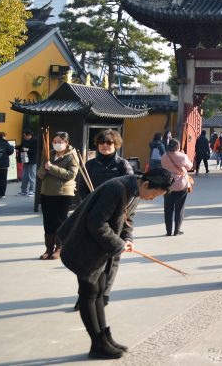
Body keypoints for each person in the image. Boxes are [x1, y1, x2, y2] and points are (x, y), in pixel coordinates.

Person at [58, 167, 172, 359]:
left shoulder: (135, 190)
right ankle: (97, 344)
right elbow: (96, 223)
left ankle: (105, 337)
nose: (152, 198)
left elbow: (128, 219)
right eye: (153, 194)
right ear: (146, 184)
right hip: (85, 244)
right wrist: (118, 244)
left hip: (101, 248)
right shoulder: (117, 189)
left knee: (100, 291)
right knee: (89, 293)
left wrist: (127, 238)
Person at [77, 129, 134, 311]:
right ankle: (84, 295)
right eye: (102, 143)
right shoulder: (90, 166)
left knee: (112, 258)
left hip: (117, 216)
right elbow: (82, 189)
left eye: (109, 143)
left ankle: (105, 293)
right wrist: (91, 203)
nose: (105, 146)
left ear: (116, 144)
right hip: (94, 216)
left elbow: (132, 191)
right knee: (88, 259)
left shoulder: (123, 166)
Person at [38, 131, 80, 259]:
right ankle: (48, 248)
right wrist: (45, 169)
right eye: (54, 142)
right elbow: (40, 173)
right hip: (47, 191)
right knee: (48, 221)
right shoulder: (49, 153)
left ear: (66, 143)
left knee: (60, 221)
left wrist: (52, 168)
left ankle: (60, 247)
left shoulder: (72, 156)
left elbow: (71, 175)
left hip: (63, 193)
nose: (56, 144)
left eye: (60, 142)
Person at [161, 139, 193, 236]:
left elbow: (164, 167)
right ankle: (177, 230)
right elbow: (189, 167)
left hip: (168, 185)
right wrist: (182, 155)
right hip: (181, 185)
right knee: (179, 208)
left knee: (168, 209)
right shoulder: (183, 156)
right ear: (178, 147)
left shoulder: (164, 157)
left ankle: (168, 231)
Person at [18, 129, 39, 196]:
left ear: (29, 135)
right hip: (25, 160)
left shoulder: (35, 141)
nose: (24, 137)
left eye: (25, 135)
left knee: (32, 176)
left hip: (32, 161)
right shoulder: (25, 141)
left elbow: (36, 151)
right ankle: (23, 190)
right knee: (24, 176)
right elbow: (20, 147)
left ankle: (32, 190)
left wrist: (27, 149)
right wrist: (14, 147)